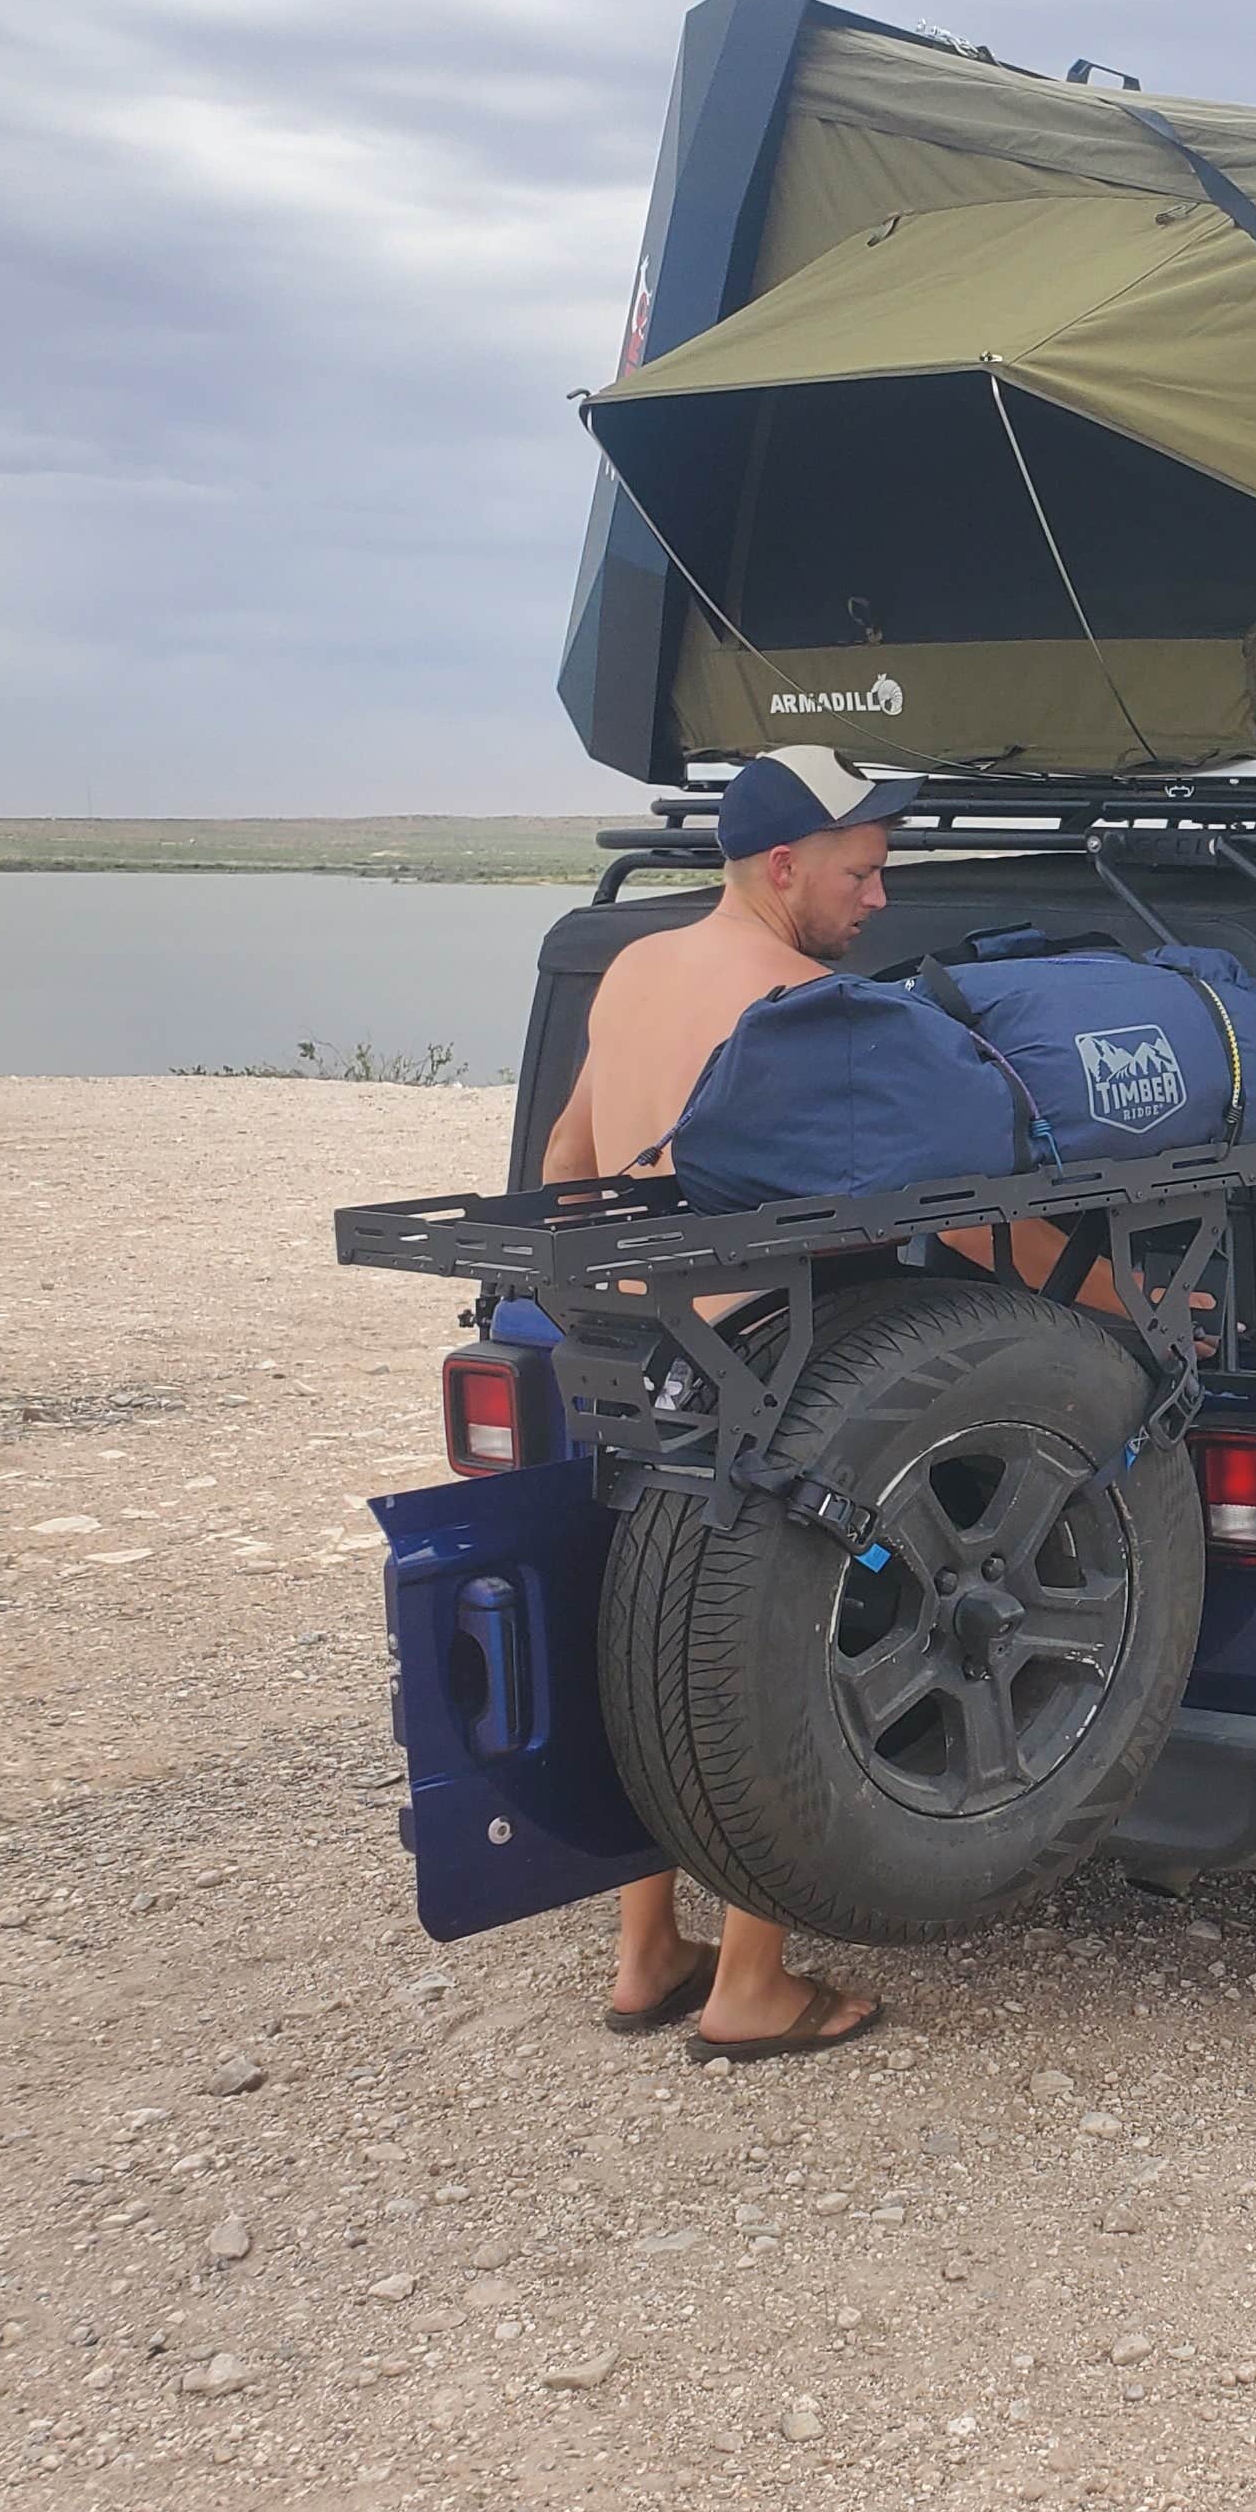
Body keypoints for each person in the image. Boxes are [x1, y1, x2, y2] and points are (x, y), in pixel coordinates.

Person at [537, 744, 918, 2061]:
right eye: (861, 872)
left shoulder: (636, 971)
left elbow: (569, 1163)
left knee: (653, 1651)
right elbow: (911, 1216)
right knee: (762, 1665)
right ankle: (754, 1985)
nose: (878, 898)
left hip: (646, 1358)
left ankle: (647, 1956)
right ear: (783, 865)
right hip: (770, 1369)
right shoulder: (799, 1003)